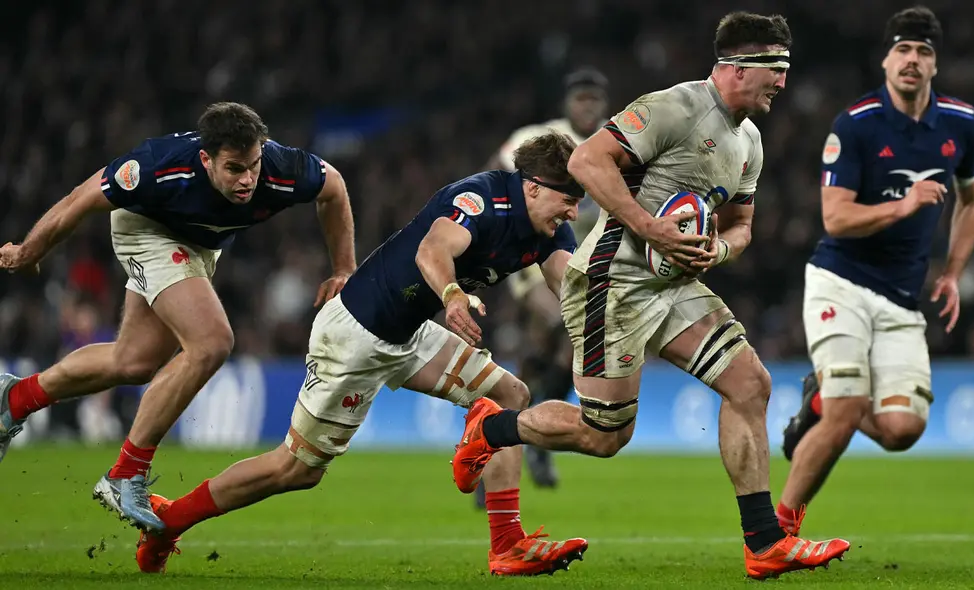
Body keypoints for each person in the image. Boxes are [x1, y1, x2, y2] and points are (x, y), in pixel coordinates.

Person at [451, 12, 852, 580]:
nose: (783, 83)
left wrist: (722, 252)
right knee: (605, 434)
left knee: (750, 384)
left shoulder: (750, 141)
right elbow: (586, 160)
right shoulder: (675, 106)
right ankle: (491, 428)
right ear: (737, 67)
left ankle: (764, 542)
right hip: (612, 282)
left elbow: (741, 223)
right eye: (775, 69)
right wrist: (650, 226)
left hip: (676, 284)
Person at [133, 132, 589, 577]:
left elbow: (570, 287)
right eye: (569, 198)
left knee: (509, 394)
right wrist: (452, 295)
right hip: (356, 335)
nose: (574, 209)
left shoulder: (550, 229)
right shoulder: (481, 199)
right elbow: (433, 251)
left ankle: (507, 545)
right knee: (295, 469)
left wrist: (612, 330)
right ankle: (170, 522)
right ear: (533, 186)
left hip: (409, 333)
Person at [0, 102, 357, 532]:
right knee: (212, 343)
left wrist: (343, 268)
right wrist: (27, 251)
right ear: (205, 159)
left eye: (254, 165)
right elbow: (79, 200)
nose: (248, 179)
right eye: (234, 168)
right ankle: (126, 472)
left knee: (132, 362)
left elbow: (333, 187)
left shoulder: (284, 168)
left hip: (198, 246)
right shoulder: (157, 167)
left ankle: (15, 399)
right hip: (146, 230)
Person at [778, 6, 974, 535]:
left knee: (900, 430)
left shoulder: (963, 124)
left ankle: (823, 396)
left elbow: (972, 199)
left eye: (923, 51)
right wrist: (905, 204)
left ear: (935, 64)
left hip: (901, 298)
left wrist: (953, 271)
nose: (912, 60)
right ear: (886, 59)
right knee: (847, 416)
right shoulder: (857, 124)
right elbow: (834, 217)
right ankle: (777, 533)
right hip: (840, 282)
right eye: (903, 50)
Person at [476, 67, 609, 500]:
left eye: (593, 100)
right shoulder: (543, 138)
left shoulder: (613, 142)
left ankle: (504, 434)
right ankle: (520, 436)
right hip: (534, 253)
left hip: (579, 258)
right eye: (580, 99)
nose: (586, 107)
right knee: (561, 320)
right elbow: (493, 173)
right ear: (567, 104)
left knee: (563, 344)